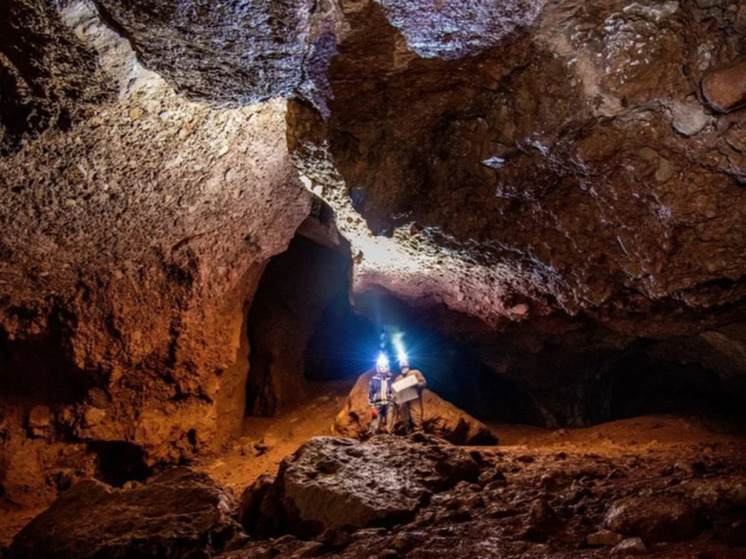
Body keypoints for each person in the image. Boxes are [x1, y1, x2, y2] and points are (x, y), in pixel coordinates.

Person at [394, 358, 427, 434]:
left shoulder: (415, 373)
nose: (403, 364)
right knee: (405, 418)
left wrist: (416, 384)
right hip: (403, 401)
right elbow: (395, 392)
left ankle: (419, 433)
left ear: (408, 364)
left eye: (404, 362)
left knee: (416, 415)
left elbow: (423, 383)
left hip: (414, 398)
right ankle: (409, 434)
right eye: (401, 363)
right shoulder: (398, 378)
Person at [368, 354, 396, 435]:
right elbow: (370, 393)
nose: (383, 368)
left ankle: (390, 442)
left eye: (385, 366)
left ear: (387, 368)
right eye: (381, 366)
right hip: (378, 405)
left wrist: (395, 402)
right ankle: (373, 441)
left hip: (389, 404)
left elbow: (394, 392)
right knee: (375, 426)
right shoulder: (374, 379)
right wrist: (372, 406)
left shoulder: (390, 379)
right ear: (378, 368)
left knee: (389, 427)